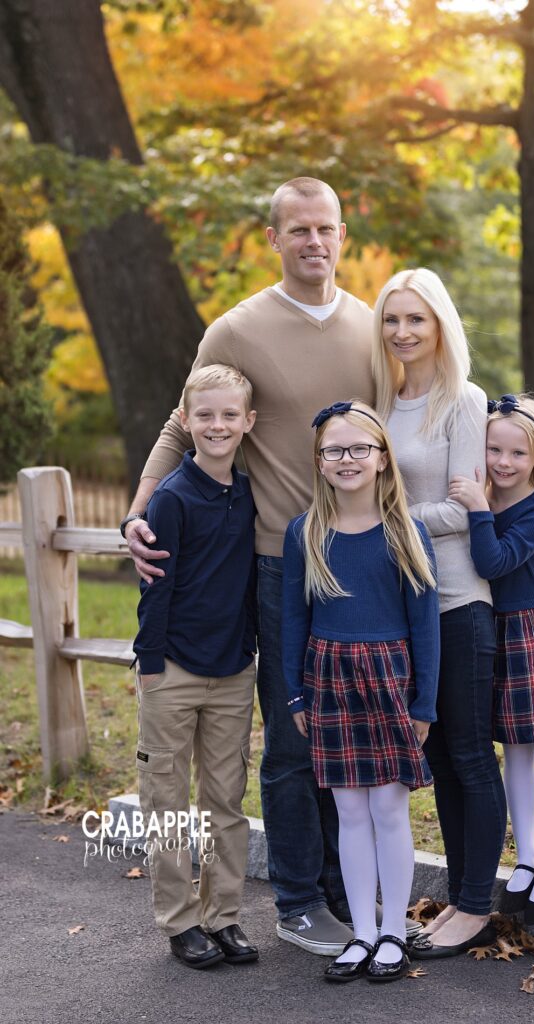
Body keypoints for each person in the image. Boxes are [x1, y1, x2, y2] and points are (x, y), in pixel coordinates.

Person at [123, 177, 380, 956]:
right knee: (294, 740)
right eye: (297, 229)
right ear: (274, 237)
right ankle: (297, 901)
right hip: (277, 567)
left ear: (342, 235)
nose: (313, 242)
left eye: (325, 229)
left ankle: (350, 889)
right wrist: (138, 511)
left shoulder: (373, 327)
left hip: (361, 562)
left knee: (352, 736)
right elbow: (182, 421)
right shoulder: (236, 329)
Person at [282, 401, 440, 983]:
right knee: (349, 809)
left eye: (359, 449)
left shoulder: (405, 532)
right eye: (334, 450)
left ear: (380, 459)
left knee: (389, 807)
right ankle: (363, 934)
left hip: (390, 679)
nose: (346, 460)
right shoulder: (305, 532)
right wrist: (296, 696)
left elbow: (427, 626)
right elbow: (292, 623)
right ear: (319, 462)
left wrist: (423, 704)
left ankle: (394, 930)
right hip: (329, 678)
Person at [372, 268, 505, 959]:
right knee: (433, 756)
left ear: (439, 326)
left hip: (456, 603)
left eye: (415, 319)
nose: (402, 332)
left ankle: (474, 906)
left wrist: (383, 522)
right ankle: (460, 894)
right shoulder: (377, 400)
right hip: (399, 611)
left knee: (466, 754)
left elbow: (462, 508)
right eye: (392, 319)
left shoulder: (464, 400)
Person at [133, 364, 259, 969]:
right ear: (185, 421)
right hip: (173, 670)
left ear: (248, 423)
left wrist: (251, 649)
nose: (217, 425)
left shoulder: (250, 490)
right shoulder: (172, 497)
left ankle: (223, 916)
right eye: (205, 415)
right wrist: (151, 663)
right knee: (167, 800)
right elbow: (155, 586)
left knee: (225, 800)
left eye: (229, 415)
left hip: (234, 671)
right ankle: (180, 921)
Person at [448, 393, 534, 925]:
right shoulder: (486, 498)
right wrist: (479, 506)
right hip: (495, 633)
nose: (504, 463)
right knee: (515, 754)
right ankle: (525, 857)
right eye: (494, 450)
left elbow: (493, 561)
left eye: (517, 454)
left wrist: (478, 511)